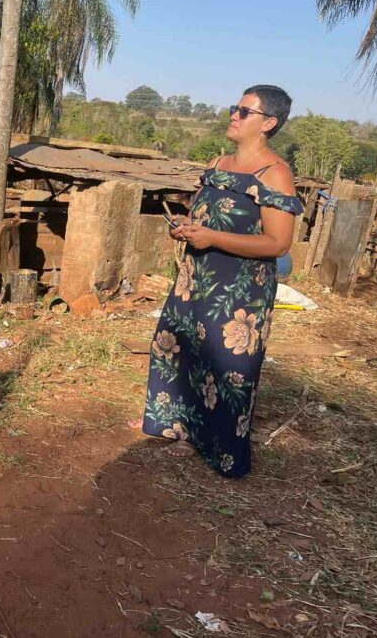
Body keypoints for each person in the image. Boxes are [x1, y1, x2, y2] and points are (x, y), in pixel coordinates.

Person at [129, 85, 303, 478]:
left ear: (269, 123)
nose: (234, 115)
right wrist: (188, 229)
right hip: (196, 279)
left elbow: (278, 243)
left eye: (244, 111)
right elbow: (205, 218)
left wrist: (213, 239)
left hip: (240, 290)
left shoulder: (275, 174)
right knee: (178, 348)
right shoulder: (220, 162)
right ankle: (175, 426)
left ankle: (218, 447)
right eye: (235, 108)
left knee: (228, 367)